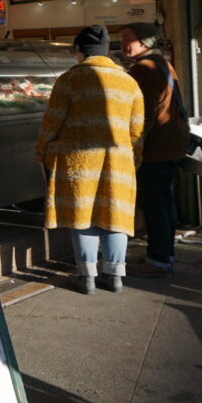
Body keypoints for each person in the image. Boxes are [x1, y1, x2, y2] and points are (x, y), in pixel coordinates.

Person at [36, 25, 145, 295]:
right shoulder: (129, 82)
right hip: (118, 159)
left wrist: (42, 150)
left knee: (82, 216)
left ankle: (87, 278)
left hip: (77, 160)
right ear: (107, 52)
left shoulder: (68, 80)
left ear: (79, 52)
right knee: (114, 216)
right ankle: (115, 276)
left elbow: (52, 122)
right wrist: (135, 157)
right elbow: (137, 129)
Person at [119, 23, 191, 278]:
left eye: (128, 38)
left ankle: (158, 261)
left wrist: (133, 146)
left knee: (154, 204)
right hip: (172, 143)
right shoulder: (161, 63)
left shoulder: (144, 69)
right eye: (122, 38)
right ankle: (163, 254)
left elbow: (142, 114)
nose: (123, 43)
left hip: (156, 147)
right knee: (164, 201)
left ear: (144, 42)